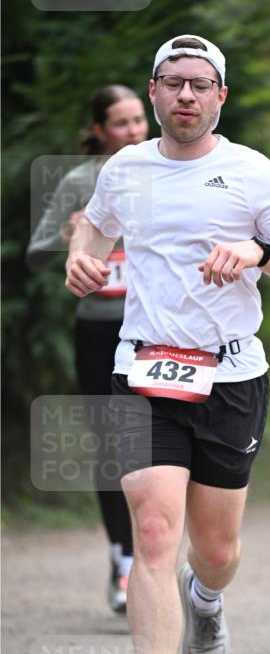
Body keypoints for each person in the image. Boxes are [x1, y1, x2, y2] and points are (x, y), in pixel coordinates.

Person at [65, 35, 270, 654]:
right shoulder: (127, 168)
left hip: (231, 376)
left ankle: (206, 599)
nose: (185, 96)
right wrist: (81, 259)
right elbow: (94, 223)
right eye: (172, 83)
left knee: (214, 549)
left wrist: (260, 253)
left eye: (199, 84)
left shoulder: (252, 173)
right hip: (145, 370)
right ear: (152, 93)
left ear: (220, 96)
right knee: (153, 531)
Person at [27, 85, 148, 612]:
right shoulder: (79, 180)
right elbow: (33, 256)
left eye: (139, 121)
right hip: (99, 331)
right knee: (111, 449)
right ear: (98, 130)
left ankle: (154, 559)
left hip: (156, 331)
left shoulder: (160, 170)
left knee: (155, 446)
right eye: (121, 124)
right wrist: (66, 235)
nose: (133, 132)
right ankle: (123, 559)